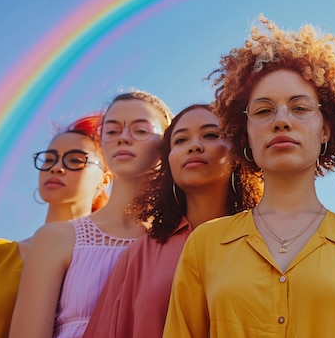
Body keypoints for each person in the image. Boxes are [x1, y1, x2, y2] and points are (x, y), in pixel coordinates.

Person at [163, 15, 335, 337]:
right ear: (245, 132)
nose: (281, 121)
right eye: (264, 111)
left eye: (300, 107)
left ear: (326, 129)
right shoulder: (205, 244)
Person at [83, 104, 263, 338]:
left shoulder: (266, 241)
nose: (194, 146)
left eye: (210, 135)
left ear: (238, 153)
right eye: (180, 140)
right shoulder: (140, 254)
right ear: (168, 162)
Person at [9, 90, 173, 338]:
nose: (123, 138)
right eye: (112, 131)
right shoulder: (56, 238)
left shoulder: (181, 242)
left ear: (168, 145)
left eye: (140, 130)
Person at [0, 114, 110, 338]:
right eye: (49, 158)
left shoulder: (114, 260)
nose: (57, 167)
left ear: (105, 180)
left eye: (76, 159)